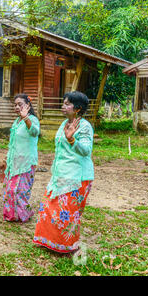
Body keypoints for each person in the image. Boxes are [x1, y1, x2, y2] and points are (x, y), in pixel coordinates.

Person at [33, 91, 94, 254]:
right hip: (60, 173)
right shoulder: (63, 124)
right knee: (48, 206)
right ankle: (49, 241)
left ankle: (66, 245)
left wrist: (72, 139)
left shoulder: (85, 126)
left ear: (78, 109)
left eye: (67, 104)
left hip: (78, 176)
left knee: (67, 211)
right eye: (63, 103)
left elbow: (86, 150)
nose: (63, 106)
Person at [0, 94, 40, 222]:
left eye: (20, 104)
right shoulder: (16, 122)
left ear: (28, 105)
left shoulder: (32, 119)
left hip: (26, 162)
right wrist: (6, 160)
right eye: (15, 104)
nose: (17, 107)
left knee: (19, 191)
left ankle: (24, 213)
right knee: (9, 190)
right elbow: (12, 143)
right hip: (14, 161)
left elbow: (34, 132)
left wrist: (26, 118)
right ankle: (12, 215)